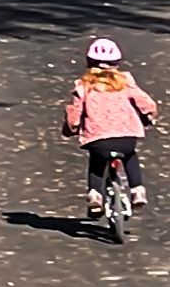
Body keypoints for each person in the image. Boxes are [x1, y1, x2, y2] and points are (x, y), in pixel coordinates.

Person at [62, 36, 159, 215]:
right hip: (126, 137)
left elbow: (74, 116)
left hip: (98, 139)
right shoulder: (126, 82)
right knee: (130, 157)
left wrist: (70, 129)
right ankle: (137, 190)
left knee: (97, 162)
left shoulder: (84, 86)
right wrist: (148, 117)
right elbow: (147, 104)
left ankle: (95, 194)